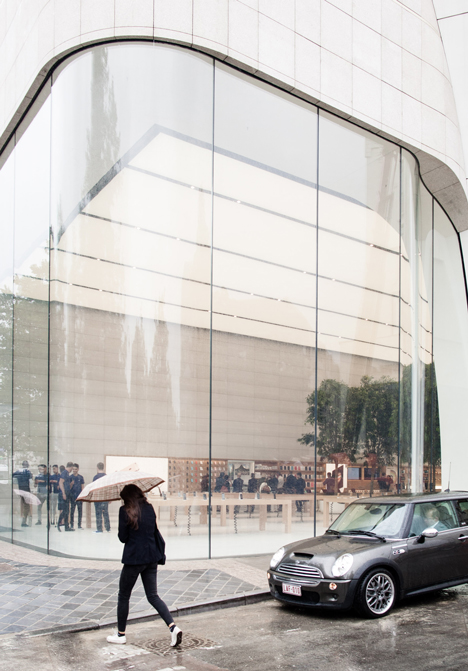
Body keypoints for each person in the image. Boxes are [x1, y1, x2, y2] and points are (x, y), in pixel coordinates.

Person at [106, 484, 182, 647]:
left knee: (124, 595)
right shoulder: (149, 508)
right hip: (151, 557)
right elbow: (153, 531)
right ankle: (173, 627)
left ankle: (121, 634)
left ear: (126, 497)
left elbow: (123, 538)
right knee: (153, 596)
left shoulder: (124, 511)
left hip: (134, 560)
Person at [13, 460, 33, 527]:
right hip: (26, 490)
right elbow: (31, 481)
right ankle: (23, 522)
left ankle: (23, 520)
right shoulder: (28, 472)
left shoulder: (18, 471)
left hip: (20, 489)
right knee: (27, 506)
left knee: (23, 505)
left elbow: (13, 478)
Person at [94, 462, 111, 533]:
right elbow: (108, 487)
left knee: (98, 513)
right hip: (105, 497)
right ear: (103, 468)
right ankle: (108, 528)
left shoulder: (95, 477)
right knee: (105, 513)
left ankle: (99, 528)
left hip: (98, 498)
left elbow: (94, 488)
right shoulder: (106, 477)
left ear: (97, 467)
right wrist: (109, 497)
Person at [57, 462, 75, 531]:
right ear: (70, 467)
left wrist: (71, 484)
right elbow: (60, 482)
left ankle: (66, 526)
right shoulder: (65, 472)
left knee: (67, 510)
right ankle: (60, 523)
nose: (72, 470)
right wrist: (63, 493)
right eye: (72, 469)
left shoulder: (66, 473)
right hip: (64, 493)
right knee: (65, 510)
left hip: (67, 492)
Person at [69, 463, 85, 529]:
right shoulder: (70, 477)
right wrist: (71, 484)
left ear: (78, 469)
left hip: (79, 497)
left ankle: (79, 525)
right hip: (72, 496)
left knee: (80, 511)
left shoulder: (80, 477)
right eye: (73, 469)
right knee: (72, 511)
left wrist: (83, 496)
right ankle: (72, 524)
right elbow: (68, 488)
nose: (74, 470)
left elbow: (82, 487)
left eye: (75, 469)